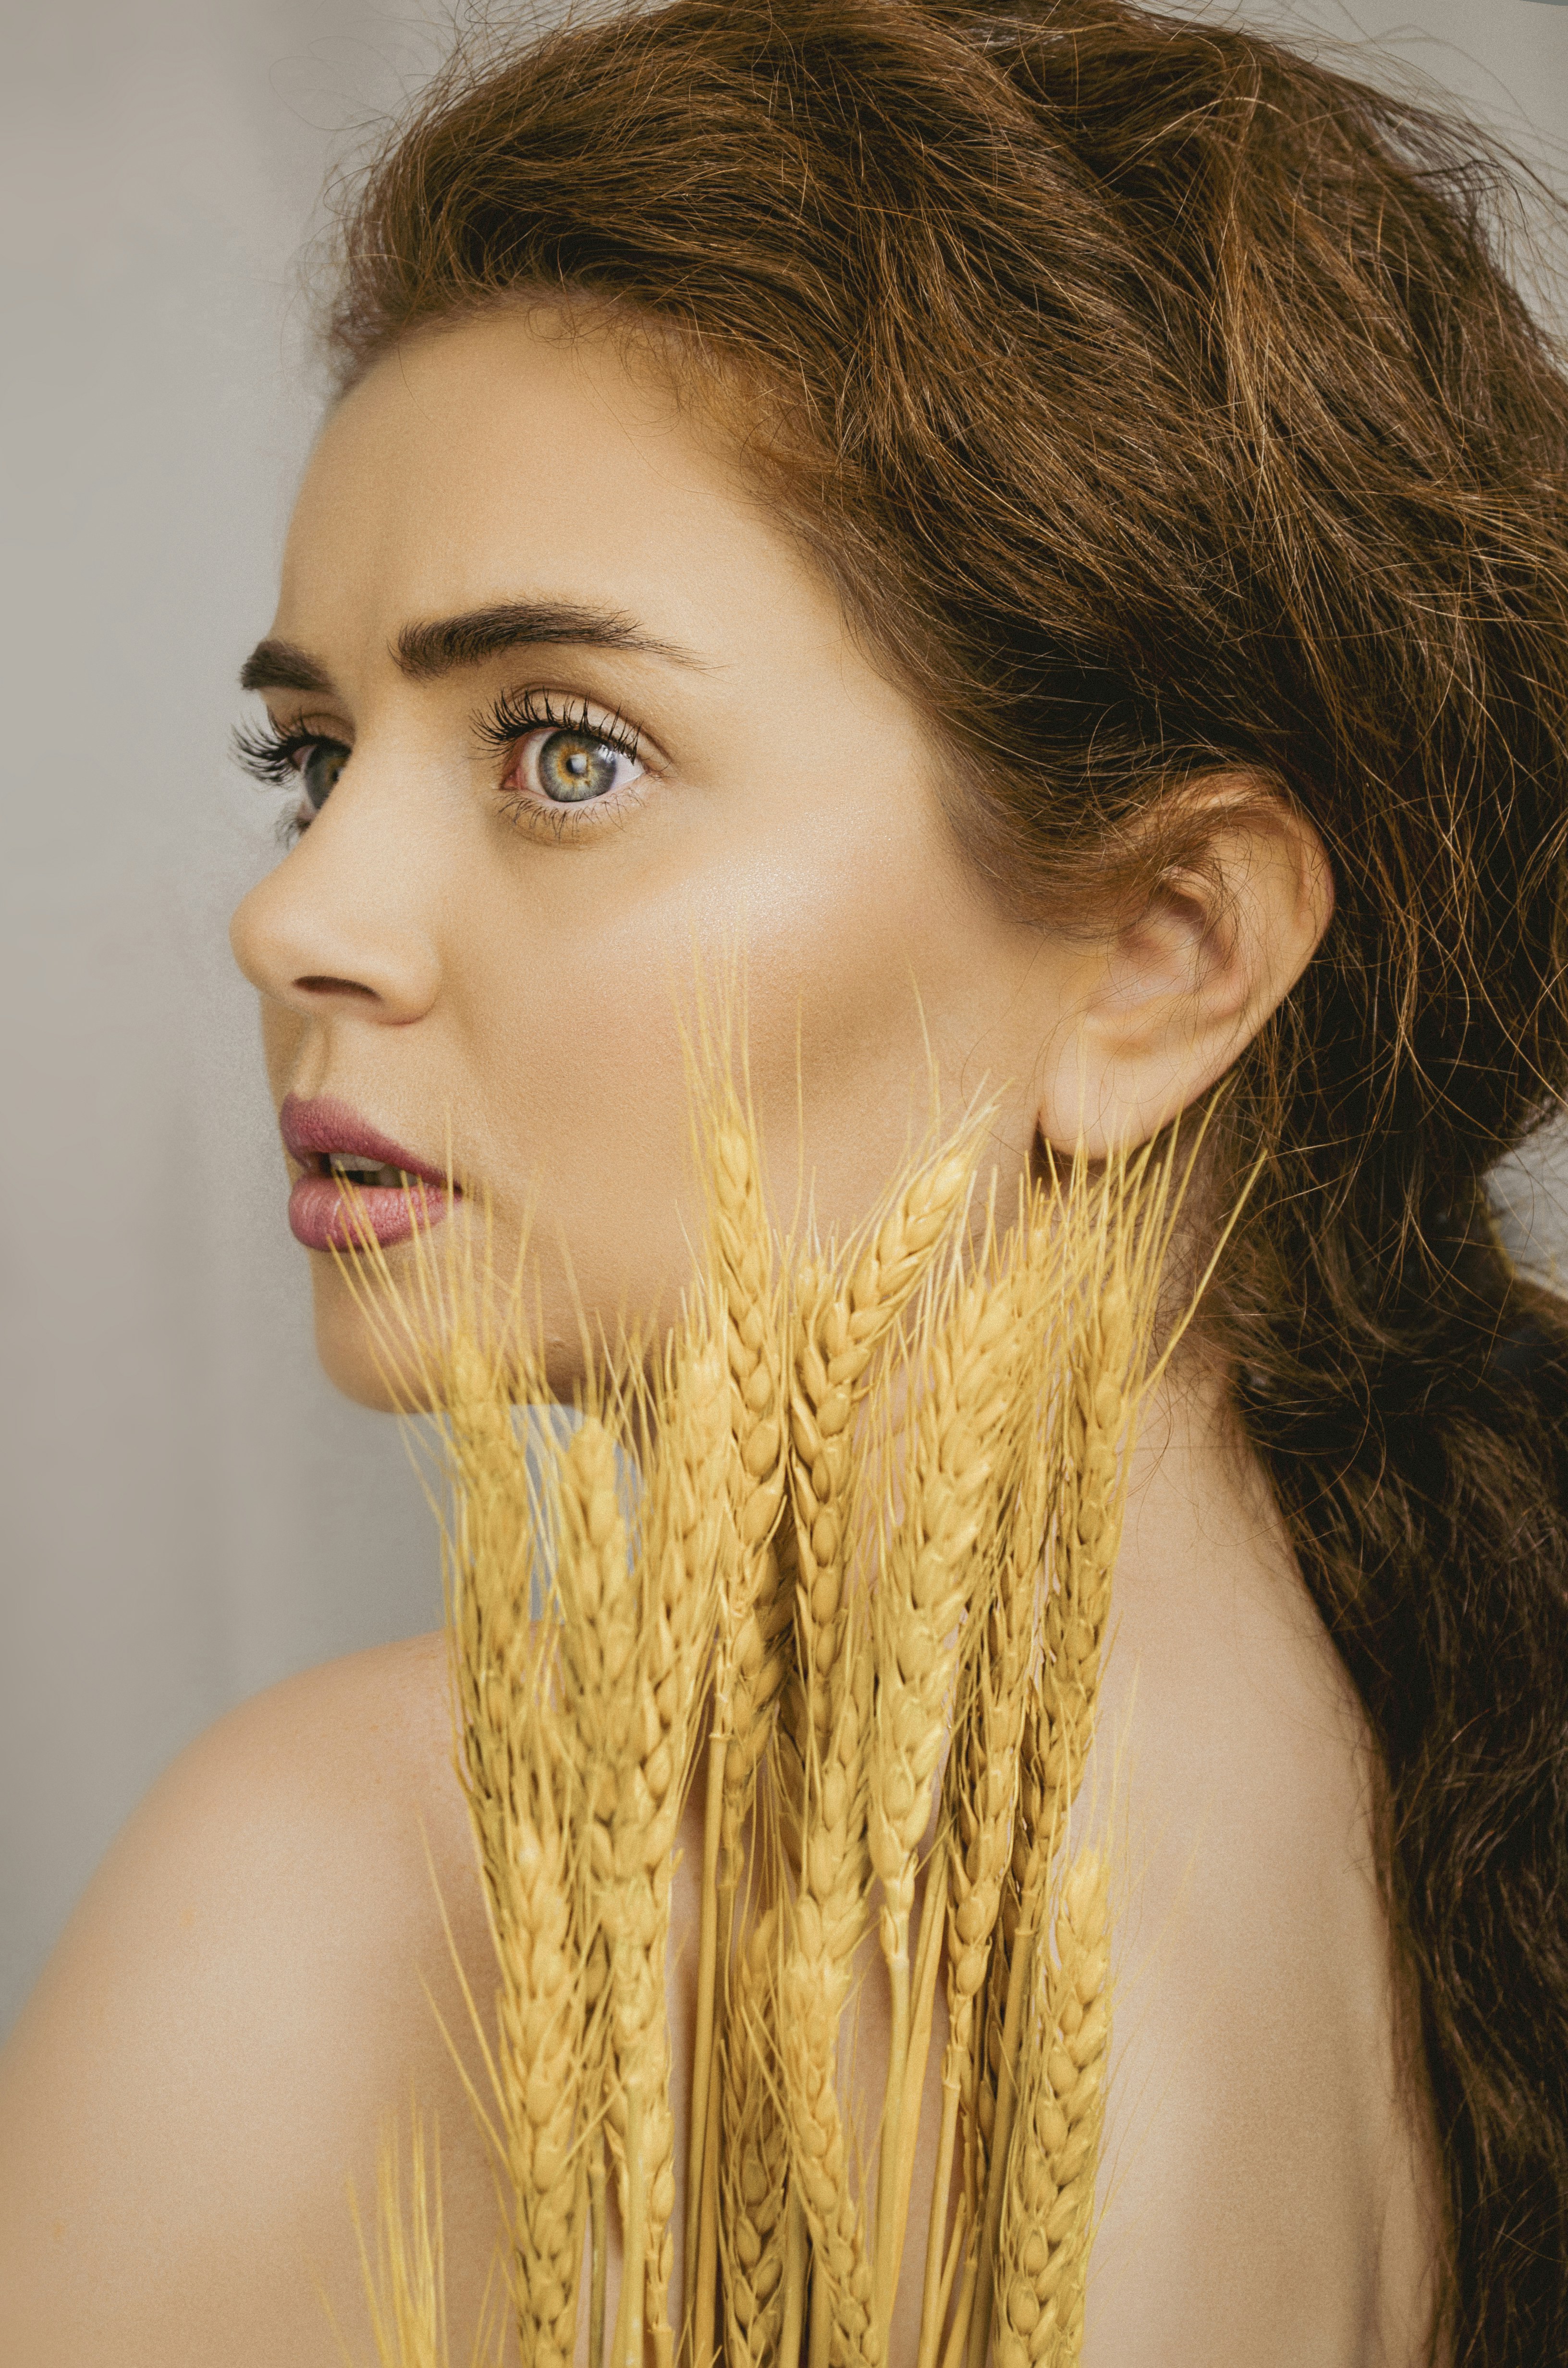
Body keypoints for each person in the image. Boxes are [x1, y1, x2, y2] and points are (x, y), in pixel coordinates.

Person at [4, 1, 1568, 2360]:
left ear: (1167, 951)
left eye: (564, 745)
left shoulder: (358, 1898)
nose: (297, 912)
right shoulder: (1422, 1820)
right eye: (308, 753)